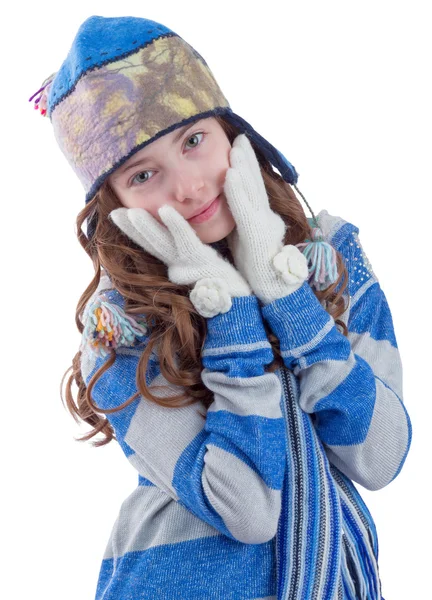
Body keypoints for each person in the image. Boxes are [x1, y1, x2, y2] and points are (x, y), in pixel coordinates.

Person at [29, 14, 412, 600]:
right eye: (144, 173)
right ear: (115, 203)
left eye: (193, 140)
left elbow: (380, 456)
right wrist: (228, 309)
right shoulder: (118, 334)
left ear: (232, 131)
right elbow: (249, 510)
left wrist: (285, 295)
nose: (187, 187)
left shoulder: (329, 260)